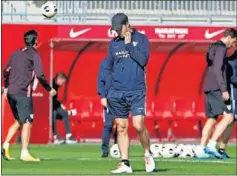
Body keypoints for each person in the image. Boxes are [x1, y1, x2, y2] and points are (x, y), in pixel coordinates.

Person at [104, 13, 155, 173]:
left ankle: (147, 153)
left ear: (127, 24)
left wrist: (129, 45)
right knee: (121, 127)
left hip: (137, 91)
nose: (117, 32)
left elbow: (143, 60)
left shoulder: (142, 39)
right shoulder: (113, 44)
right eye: (115, 29)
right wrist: (106, 92)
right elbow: (109, 68)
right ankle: (124, 162)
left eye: (119, 28)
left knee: (138, 125)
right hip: (117, 92)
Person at [1, 30, 57, 162]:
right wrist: (49, 89)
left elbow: (5, 70)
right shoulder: (34, 54)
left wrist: (6, 86)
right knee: (27, 122)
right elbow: (40, 75)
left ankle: (5, 145)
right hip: (22, 93)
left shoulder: (16, 53)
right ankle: (24, 153)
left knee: (19, 121)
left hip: (11, 93)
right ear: (35, 40)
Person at [197, 28, 236, 159]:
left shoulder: (212, 46)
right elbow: (218, 68)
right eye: (234, 41)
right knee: (229, 117)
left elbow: (210, 64)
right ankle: (212, 145)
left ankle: (201, 149)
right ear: (229, 38)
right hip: (216, 88)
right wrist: (223, 89)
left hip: (209, 86)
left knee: (212, 119)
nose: (233, 45)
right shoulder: (222, 48)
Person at [217, 50, 237, 158]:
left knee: (231, 121)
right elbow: (232, 78)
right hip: (233, 95)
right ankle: (216, 148)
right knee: (230, 120)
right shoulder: (232, 61)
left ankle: (220, 149)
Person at [97, 57, 118, 157]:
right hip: (109, 97)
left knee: (121, 124)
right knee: (108, 125)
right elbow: (101, 80)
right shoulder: (105, 62)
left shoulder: (126, 61)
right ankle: (105, 150)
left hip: (122, 97)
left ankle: (119, 148)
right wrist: (102, 96)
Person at [52, 72, 77, 144]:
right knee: (53, 114)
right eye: (62, 82)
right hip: (48, 109)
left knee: (64, 113)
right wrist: (59, 104)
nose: (63, 84)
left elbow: (54, 100)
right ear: (58, 79)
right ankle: (55, 137)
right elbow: (49, 100)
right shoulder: (50, 85)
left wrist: (60, 104)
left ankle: (68, 136)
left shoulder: (56, 86)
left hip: (54, 107)